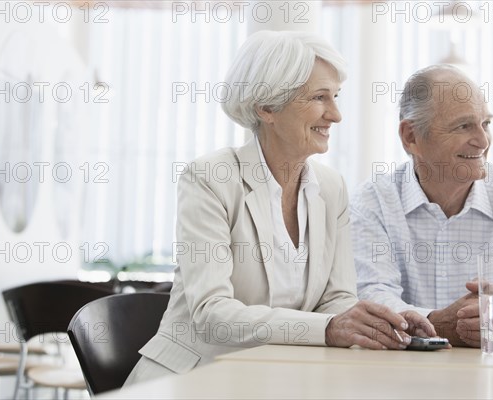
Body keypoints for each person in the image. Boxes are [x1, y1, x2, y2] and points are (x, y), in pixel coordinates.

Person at [124, 31, 436, 385]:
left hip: (273, 380)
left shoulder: (330, 188)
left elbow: (336, 298)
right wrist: (331, 328)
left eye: (335, 97)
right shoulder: (211, 178)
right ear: (267, 107)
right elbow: (212, 315)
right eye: (320, 98)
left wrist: (380, 322)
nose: (335, 115)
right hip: (194, 379)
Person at [351, 64, 493, 347]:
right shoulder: (373, 202)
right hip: (402, 378)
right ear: (411, 137)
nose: (483, 141)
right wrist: (438, 322)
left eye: (486, 124)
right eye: (464, 126)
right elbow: (370, 293)